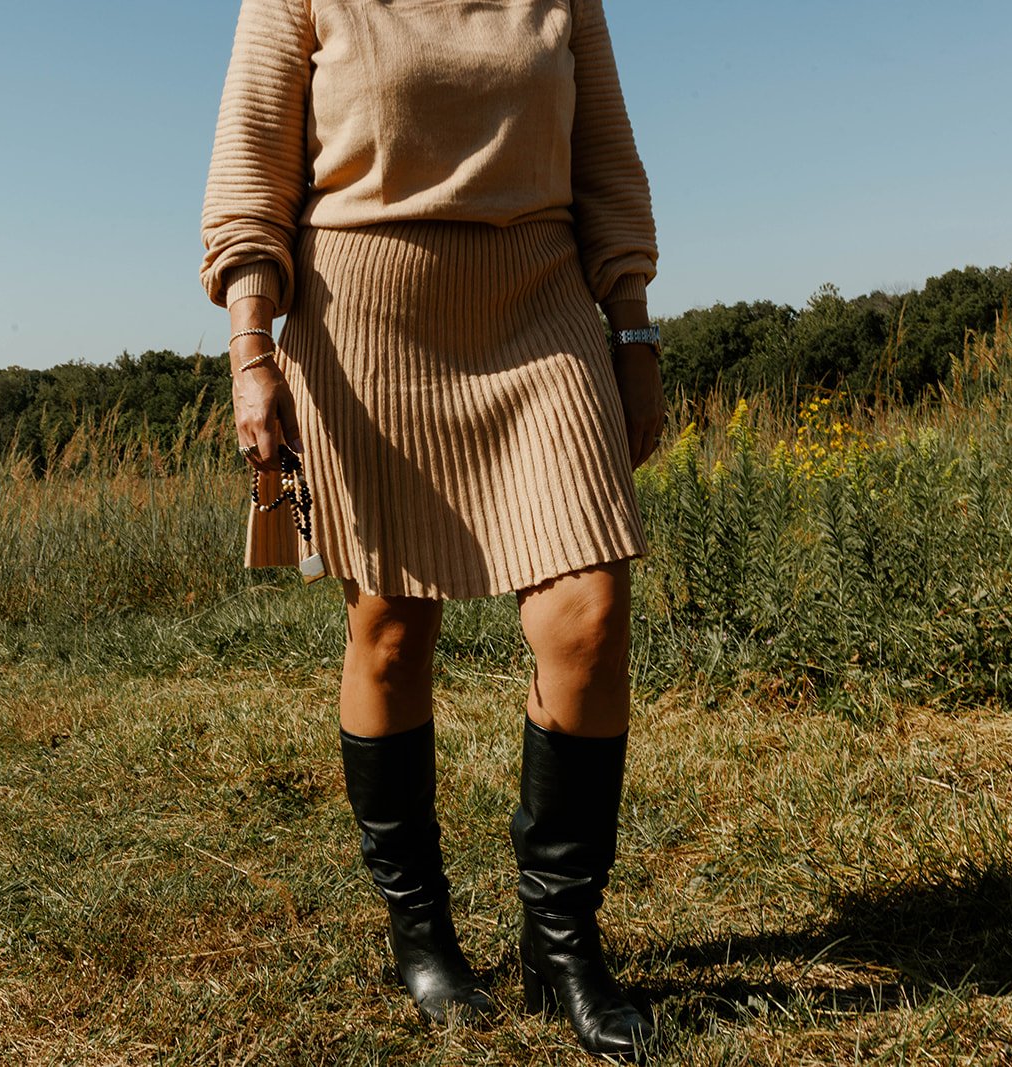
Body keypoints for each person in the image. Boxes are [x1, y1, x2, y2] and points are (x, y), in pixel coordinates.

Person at [199, 0, 664, 1058]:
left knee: (590, 613)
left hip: (541, 310)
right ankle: (421, 933)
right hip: (365, 322)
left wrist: (633, 333)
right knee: (392, 627)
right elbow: (250, 176)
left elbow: (607, 166)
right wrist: (251, 352)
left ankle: (561, 942)